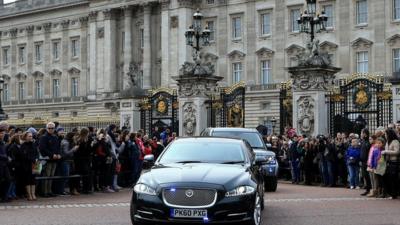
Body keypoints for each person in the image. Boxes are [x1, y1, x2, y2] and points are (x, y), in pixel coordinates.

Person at [39, 122, 61, 197]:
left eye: (52, 128)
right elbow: (42, 148)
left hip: (54, 159)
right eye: (49, 128)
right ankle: (44, 192)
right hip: (47, 159)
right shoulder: (43, 137)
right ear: (46, 128)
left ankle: (49, 191)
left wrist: (58, 154)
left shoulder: (55, 137)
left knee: (51, 176)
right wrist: (52, 155)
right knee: (47, 175)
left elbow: (58, 147)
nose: (51, 129)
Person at [19, 132, 39, 201]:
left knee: (33, 180)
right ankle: (29, 194)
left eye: (31, 136)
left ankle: (33, 194)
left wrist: (36, 159)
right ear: (25, 137)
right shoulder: (23, 145)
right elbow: (23, 155)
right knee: (27, 180)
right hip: (26, 165)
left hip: (35, 164)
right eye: (29, 136)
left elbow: (37, 153)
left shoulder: (34, 144)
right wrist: (32, 159)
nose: (31, 137)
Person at [381, 128, 400, 199]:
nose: (385, 135)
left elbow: (397, 152)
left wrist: (386, 152)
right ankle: (390, 192)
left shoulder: (395, 141)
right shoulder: (387, 141)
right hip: (388, 162)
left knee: (393, 179)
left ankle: (394, 194)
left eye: (386, 134)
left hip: (394, 162)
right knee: (387, 178)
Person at [74, 128, 93, 194]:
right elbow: (84, 150)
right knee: (84, 174)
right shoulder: (80, 140)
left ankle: (86, 188)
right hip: (81, 159)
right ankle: (83, 189)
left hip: (85, 159)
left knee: (86, 174)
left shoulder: (87, 139)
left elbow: (89, 150)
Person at [0, 127, 11, 202]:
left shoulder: (3, 142)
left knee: (8, 179)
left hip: (4, 164)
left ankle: (4, 195)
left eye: (3, 133)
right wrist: (6, 157)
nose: (2, 134)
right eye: (1, 133)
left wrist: (8, 157)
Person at [360, 128, 372, 196]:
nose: (361, 134)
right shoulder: (363, 141)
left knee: (367, 176)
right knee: (365, 176)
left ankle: (369, 189)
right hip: (363, 161)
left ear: (365, 134)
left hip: (367, 162)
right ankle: (367, 189)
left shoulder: (368, 142)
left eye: (361, 133)